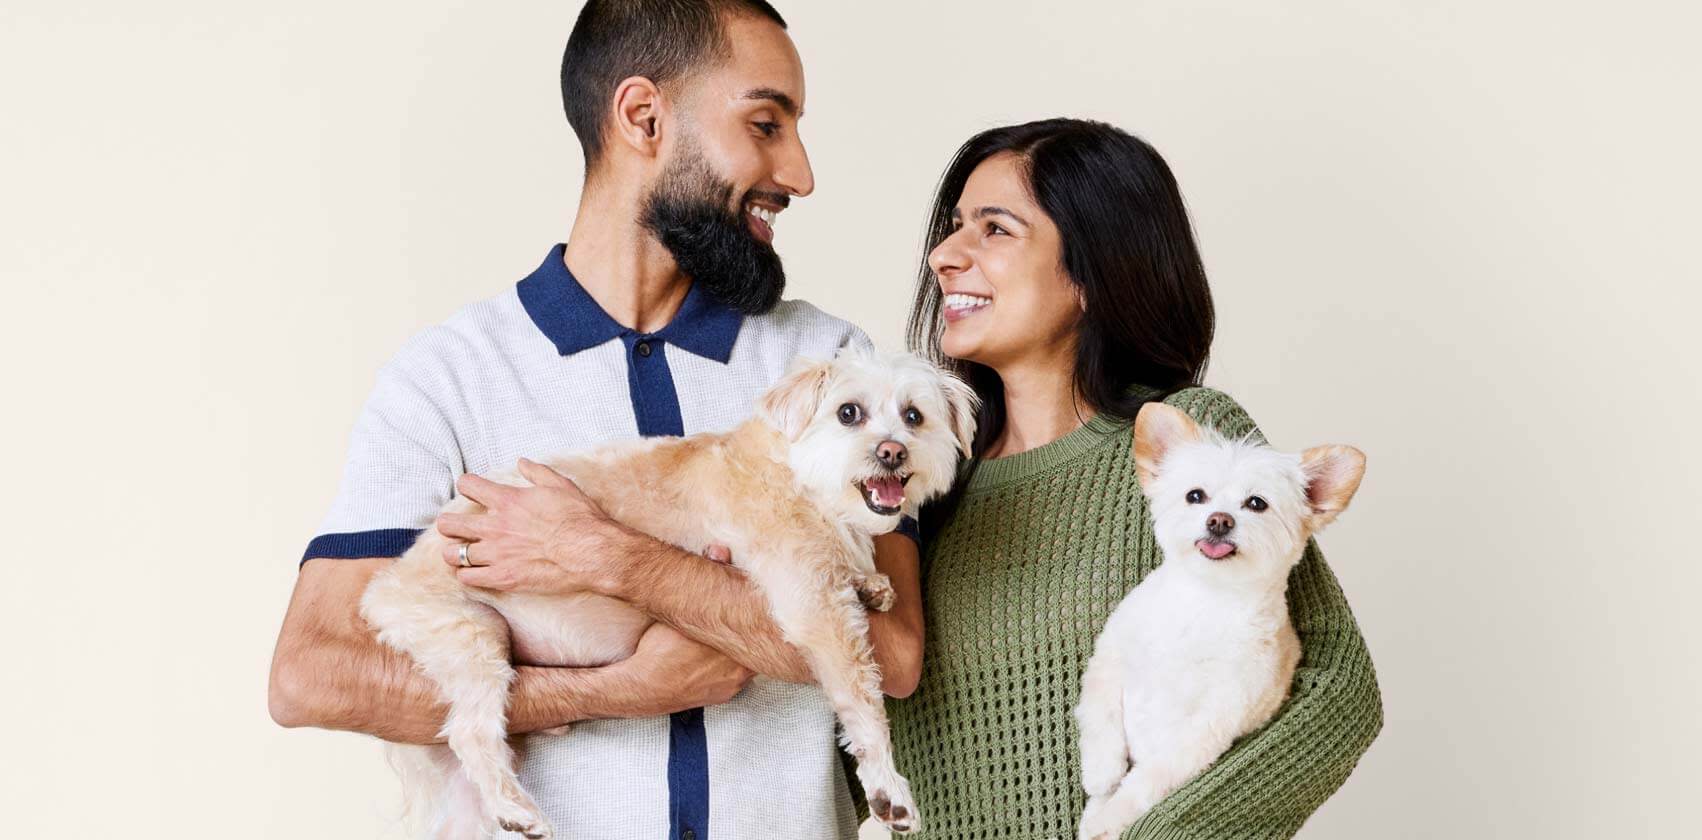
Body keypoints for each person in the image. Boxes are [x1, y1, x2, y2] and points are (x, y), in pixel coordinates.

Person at [266, 3, 923, 838]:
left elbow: (893, 653)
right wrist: (612, 692)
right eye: (765, 124)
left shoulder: (830, 368)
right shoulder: (450, 377)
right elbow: (311, 675)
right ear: (643, 117)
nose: (799, 173)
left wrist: (614, 559)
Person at [886, 118, 1383, 839]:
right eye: (955, 226)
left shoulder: (1193, 451)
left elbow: (1339, 695)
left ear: (1092, 272)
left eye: (994, 230)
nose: (944, 255)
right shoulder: (919, 483)